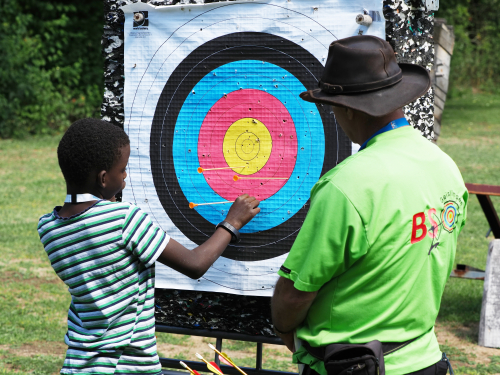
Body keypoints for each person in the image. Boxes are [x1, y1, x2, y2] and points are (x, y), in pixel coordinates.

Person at [271, 35, 468, 375]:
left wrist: (284, 326)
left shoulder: (346, 185)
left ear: (348, 108)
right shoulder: (445, 166)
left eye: (332, 107)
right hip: (426, 360)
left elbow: (296, 293)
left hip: (356, 367)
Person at [37, 118, 260, 375]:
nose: (125, 176)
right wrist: (232, 223)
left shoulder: (49, 226)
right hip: (127, 366)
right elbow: (195, 264)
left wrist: (106, 195)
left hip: (79, 364)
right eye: (122, 170)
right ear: (103, 178)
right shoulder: (123, 219)